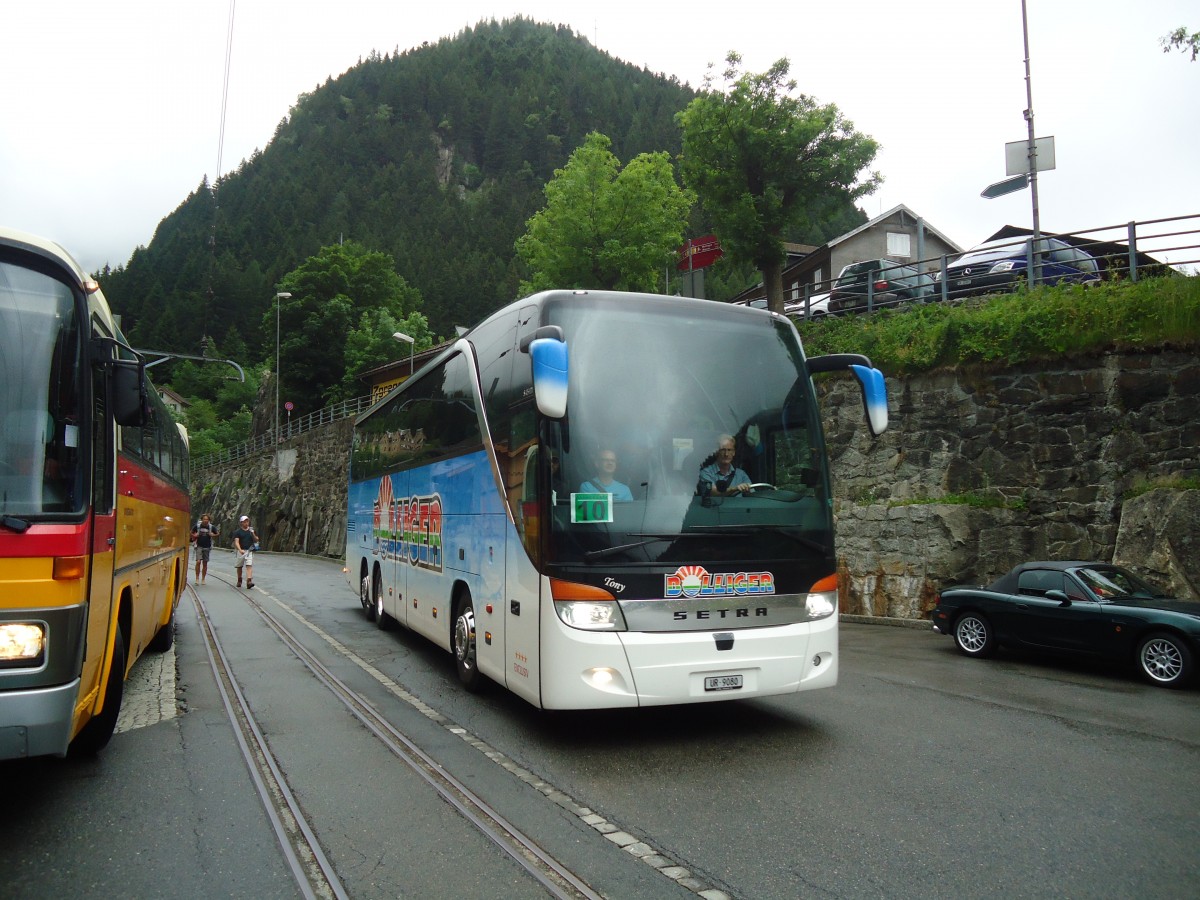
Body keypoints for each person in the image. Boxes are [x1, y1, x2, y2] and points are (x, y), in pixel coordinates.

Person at [232, 514, 260, 589]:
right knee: (239, 566)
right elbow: (236, 541)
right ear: (241, 523)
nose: (246, 523)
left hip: (249, 551)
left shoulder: (251, 531)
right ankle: (239, 579)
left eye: (247, 521)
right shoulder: (237, 532)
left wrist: (253, 533)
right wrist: (240, 549)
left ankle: (249, 581)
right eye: (244, 522)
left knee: (249, 565)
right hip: (241, 551)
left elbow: (257, 539)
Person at [191, 513, 218, 583]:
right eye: (204, 519)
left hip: (207, 547)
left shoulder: (211, 527)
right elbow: (191, 532)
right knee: (198, 562)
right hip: (199, 546)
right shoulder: (197, 526)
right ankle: (197, 578)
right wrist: (195, 535)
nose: (205, 520)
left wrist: (213, 535)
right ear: (202, 520)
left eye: (207, 519)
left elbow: (217, 533)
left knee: (205, 563)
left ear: (209, 520)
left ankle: (203, 579)